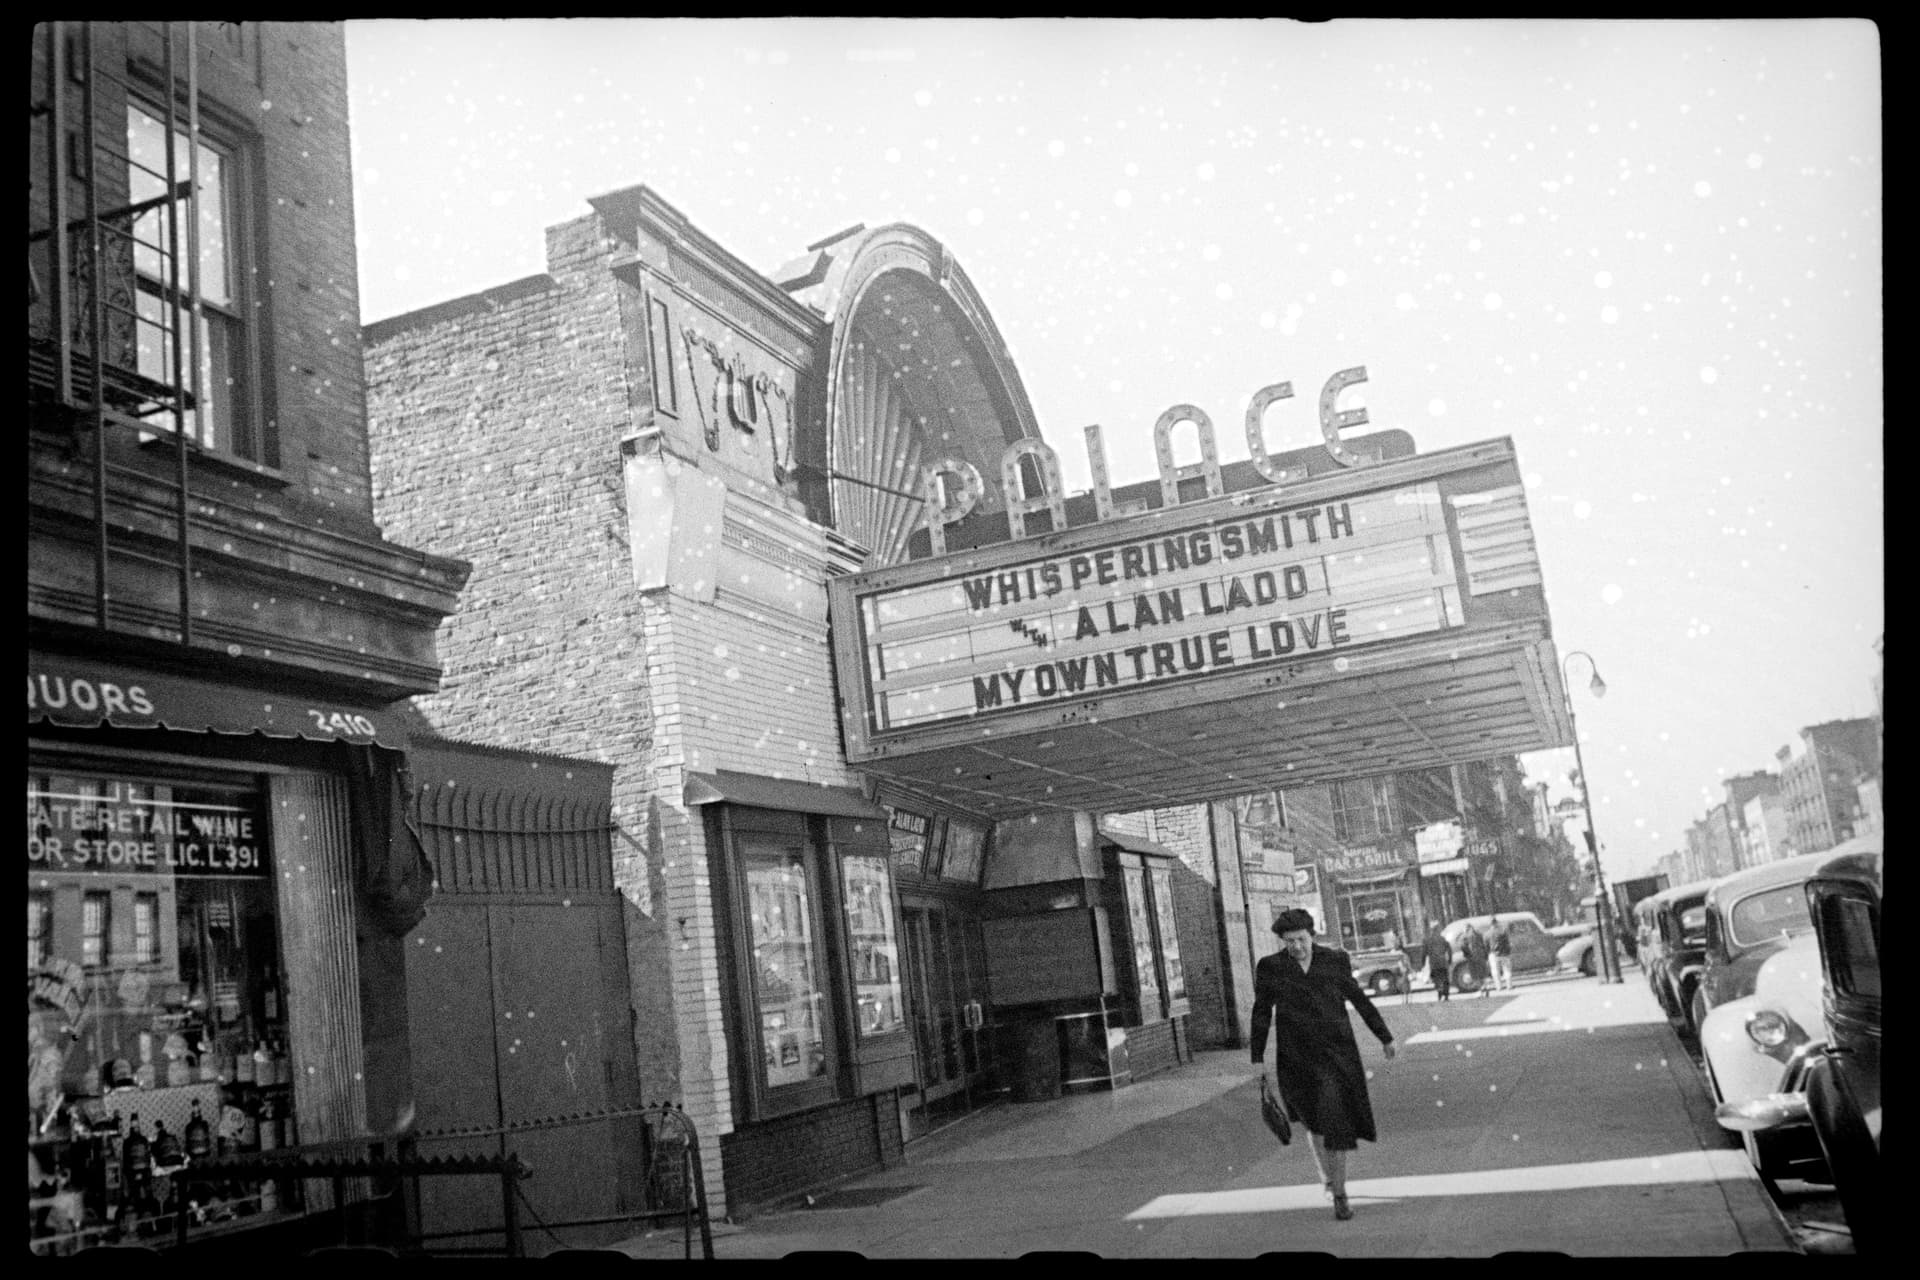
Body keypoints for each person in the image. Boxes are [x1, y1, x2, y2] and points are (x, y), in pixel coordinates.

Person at [1250, 908, 1397, 1221]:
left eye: (1301, 939)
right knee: (1314, 1125)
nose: (1297, 947)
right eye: (1290, 942)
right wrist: (1257, 1059)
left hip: (1336, 1058)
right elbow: (1261, 1013)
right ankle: (1328, 1178)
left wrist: (1385, 1037)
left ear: (1311, 935)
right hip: (1295, 1060)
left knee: (1336, 1123)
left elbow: (1360, 1000)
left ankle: (1340, 1194)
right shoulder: (1271, 968)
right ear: (1282, 941)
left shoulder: (1334, 961)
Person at [1459, 921, 1491, 998]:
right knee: (1483, 974)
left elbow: (1463, 946)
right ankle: (1486, 987)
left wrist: (1466, 955)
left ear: (1465, 928)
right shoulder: (1479, 934)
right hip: (1481, 956)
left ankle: (1480, 991)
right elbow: (1485, 945)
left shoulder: (1464, 936)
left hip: (1472, 958)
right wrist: (1486, 955)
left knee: (1475, 975)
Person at [1424, 922, 1453, 1002]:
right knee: (1445, 979)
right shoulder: (1442, 939)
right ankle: (1446, 995)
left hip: (1433, 963)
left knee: (1436, 979)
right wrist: (1450, 959)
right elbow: (1449, 949)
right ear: (1438, 930)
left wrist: (1422, 963)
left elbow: (1424, 952)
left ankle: (1439, 992)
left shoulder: (1428, 940)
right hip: (1443, 962)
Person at [1489, 915, 1515, 992]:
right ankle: (1509, 986)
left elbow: (1486, 944)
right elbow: (1508, 942)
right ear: (1497, 923)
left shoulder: (1488, 933)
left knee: (1495, 972)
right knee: (1507, 970)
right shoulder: (1503, 931)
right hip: (1504, 953)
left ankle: (1498, 987)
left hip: (1493, 954)